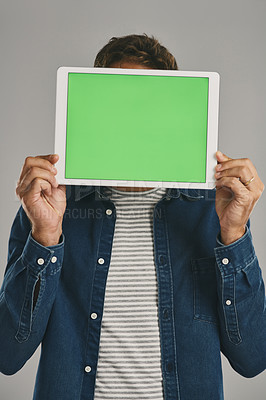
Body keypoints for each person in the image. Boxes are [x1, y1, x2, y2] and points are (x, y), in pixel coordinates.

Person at [0, 34, 265, 400]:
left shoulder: (213, 211)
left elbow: (253, 359)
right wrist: (45, 236)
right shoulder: (47, 210)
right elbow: (7, 355)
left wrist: (234, 236)